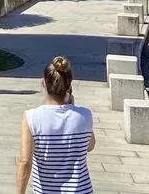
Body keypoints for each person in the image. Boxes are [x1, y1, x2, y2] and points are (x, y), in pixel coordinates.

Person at [16, 56, 94, 193]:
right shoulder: (85, 115)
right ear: (69, 85)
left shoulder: (31, 117)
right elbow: (89, 146)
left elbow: (25, 162)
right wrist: (72, 106)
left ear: (44, 83)